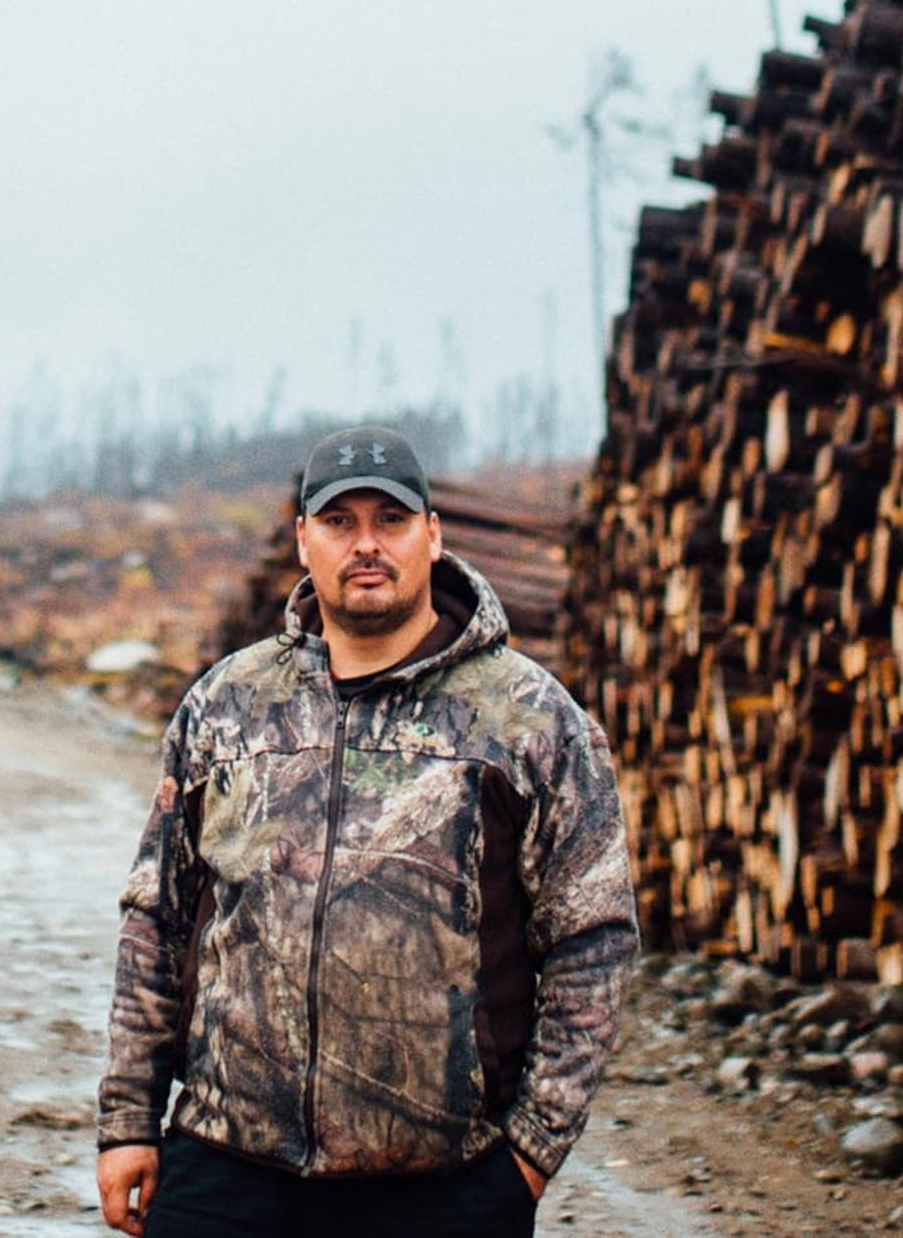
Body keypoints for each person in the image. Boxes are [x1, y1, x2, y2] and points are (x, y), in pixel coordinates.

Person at [94, 425, 635, 1237]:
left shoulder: (528, 718)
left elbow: (594, 939)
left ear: (433, 535)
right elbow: (158, 919)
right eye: (340, 521)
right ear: (303, 538)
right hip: (227, 1163)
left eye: (391, 518)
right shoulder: (228, 705)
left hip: (438, 1184)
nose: (367, 544)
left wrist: (531, 1150)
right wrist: (130, 1119)